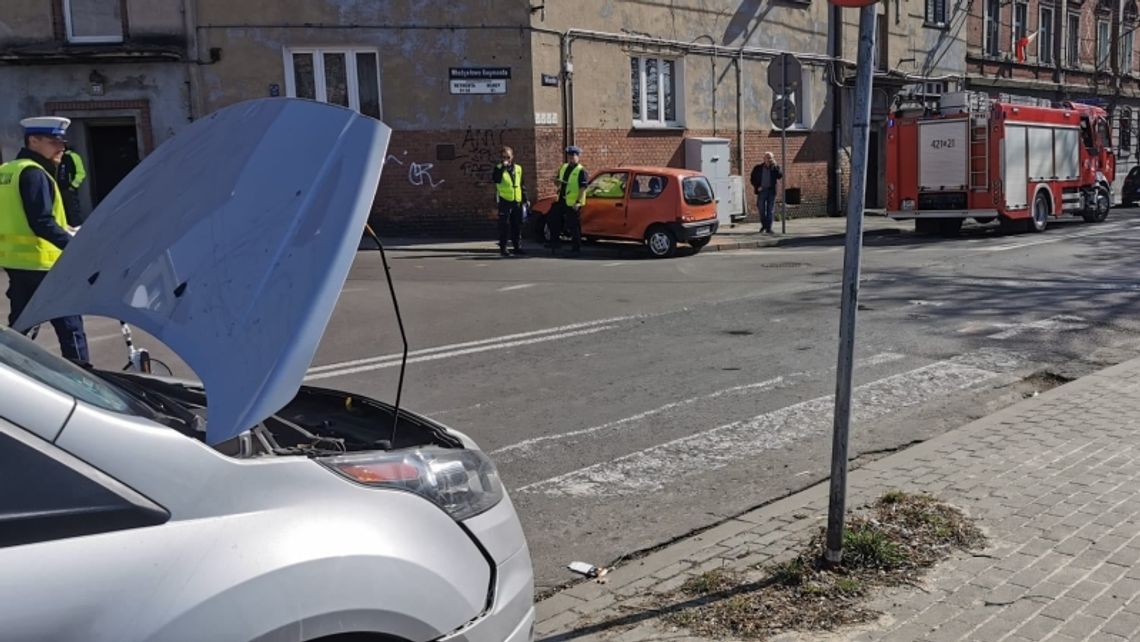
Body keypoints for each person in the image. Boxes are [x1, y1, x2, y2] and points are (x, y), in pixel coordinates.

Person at [0, 116, 89, 363]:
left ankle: (11, 373)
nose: (61, 148)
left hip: (15, 262)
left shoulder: (6, 171)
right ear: (34, 141)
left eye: (63, 142)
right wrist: (76, 246)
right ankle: (84, 380)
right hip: (43, 262)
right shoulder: (34, 173)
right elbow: (41, 222)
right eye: (54, 141)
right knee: (70, 328)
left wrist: (65, 228)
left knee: (19, 330)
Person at [550, 145, 588, 256]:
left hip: (573, 202)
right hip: (561, 199)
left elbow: (582, 188)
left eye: (574, 156)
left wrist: (577, 202)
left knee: (574, 225)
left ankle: (576, 247)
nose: (571, 158)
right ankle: (555, 243)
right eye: (570, 156)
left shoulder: (581, 170)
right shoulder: (564, 167)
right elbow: (558, 182)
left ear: (578, 157)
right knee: (554, 220)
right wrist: (556, 181)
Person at [492, 146, 527, 257]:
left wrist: (525, 199)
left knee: (517, 225)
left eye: (508, 157)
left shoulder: (518, 168)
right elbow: (496, 179)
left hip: (517, 200)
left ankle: (517, 247)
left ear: (512, 156)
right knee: (504, 225)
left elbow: (522, 184)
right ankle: (503, 248)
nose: (506, 159)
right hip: (505, 200)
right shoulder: (498, 168)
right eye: (504, 157)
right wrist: (503, 167)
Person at [750, 152, 784, 234]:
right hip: (762, 191)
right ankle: (764, 225)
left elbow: (780, 176)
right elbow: (752, 178)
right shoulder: (758, 168)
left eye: (770, 157)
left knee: (770, 210)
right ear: (764, 158)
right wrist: (757, 186)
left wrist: (775, 166)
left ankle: (769, 228)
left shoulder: (775, 168)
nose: (769, 159)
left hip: (771, 191)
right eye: (767, 157)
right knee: (761, 207)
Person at [56, 146, 87, 227]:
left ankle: (78, 230)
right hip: (59, 189)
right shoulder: (58, 157)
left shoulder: (73, 156)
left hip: (69, 189)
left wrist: (73, 186)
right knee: (63, 212)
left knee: (73, 212)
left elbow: (81, 173)